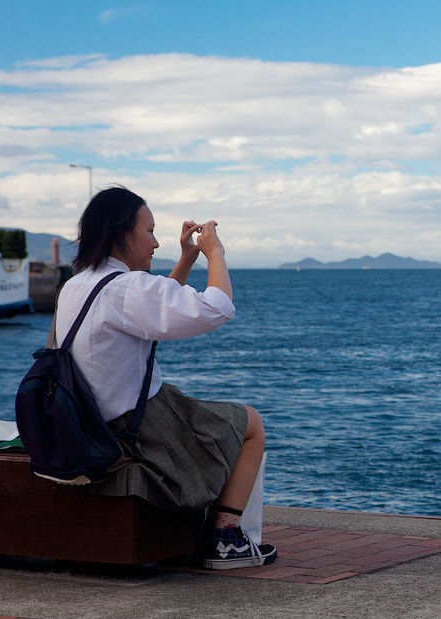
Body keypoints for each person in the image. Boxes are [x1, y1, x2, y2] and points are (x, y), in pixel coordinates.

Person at [53, 186, 276, 570]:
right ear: (124, 234)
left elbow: (148, 315)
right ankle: (225, 540)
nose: (156, 242)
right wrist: (215, 254)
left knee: (211, 415)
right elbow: (215, 309)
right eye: (150, 231)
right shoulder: (125, 288)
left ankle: (219, 532)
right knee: (250, 424)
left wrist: (186, 259)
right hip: (134, 428)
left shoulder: (78, 284)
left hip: (86, 420)